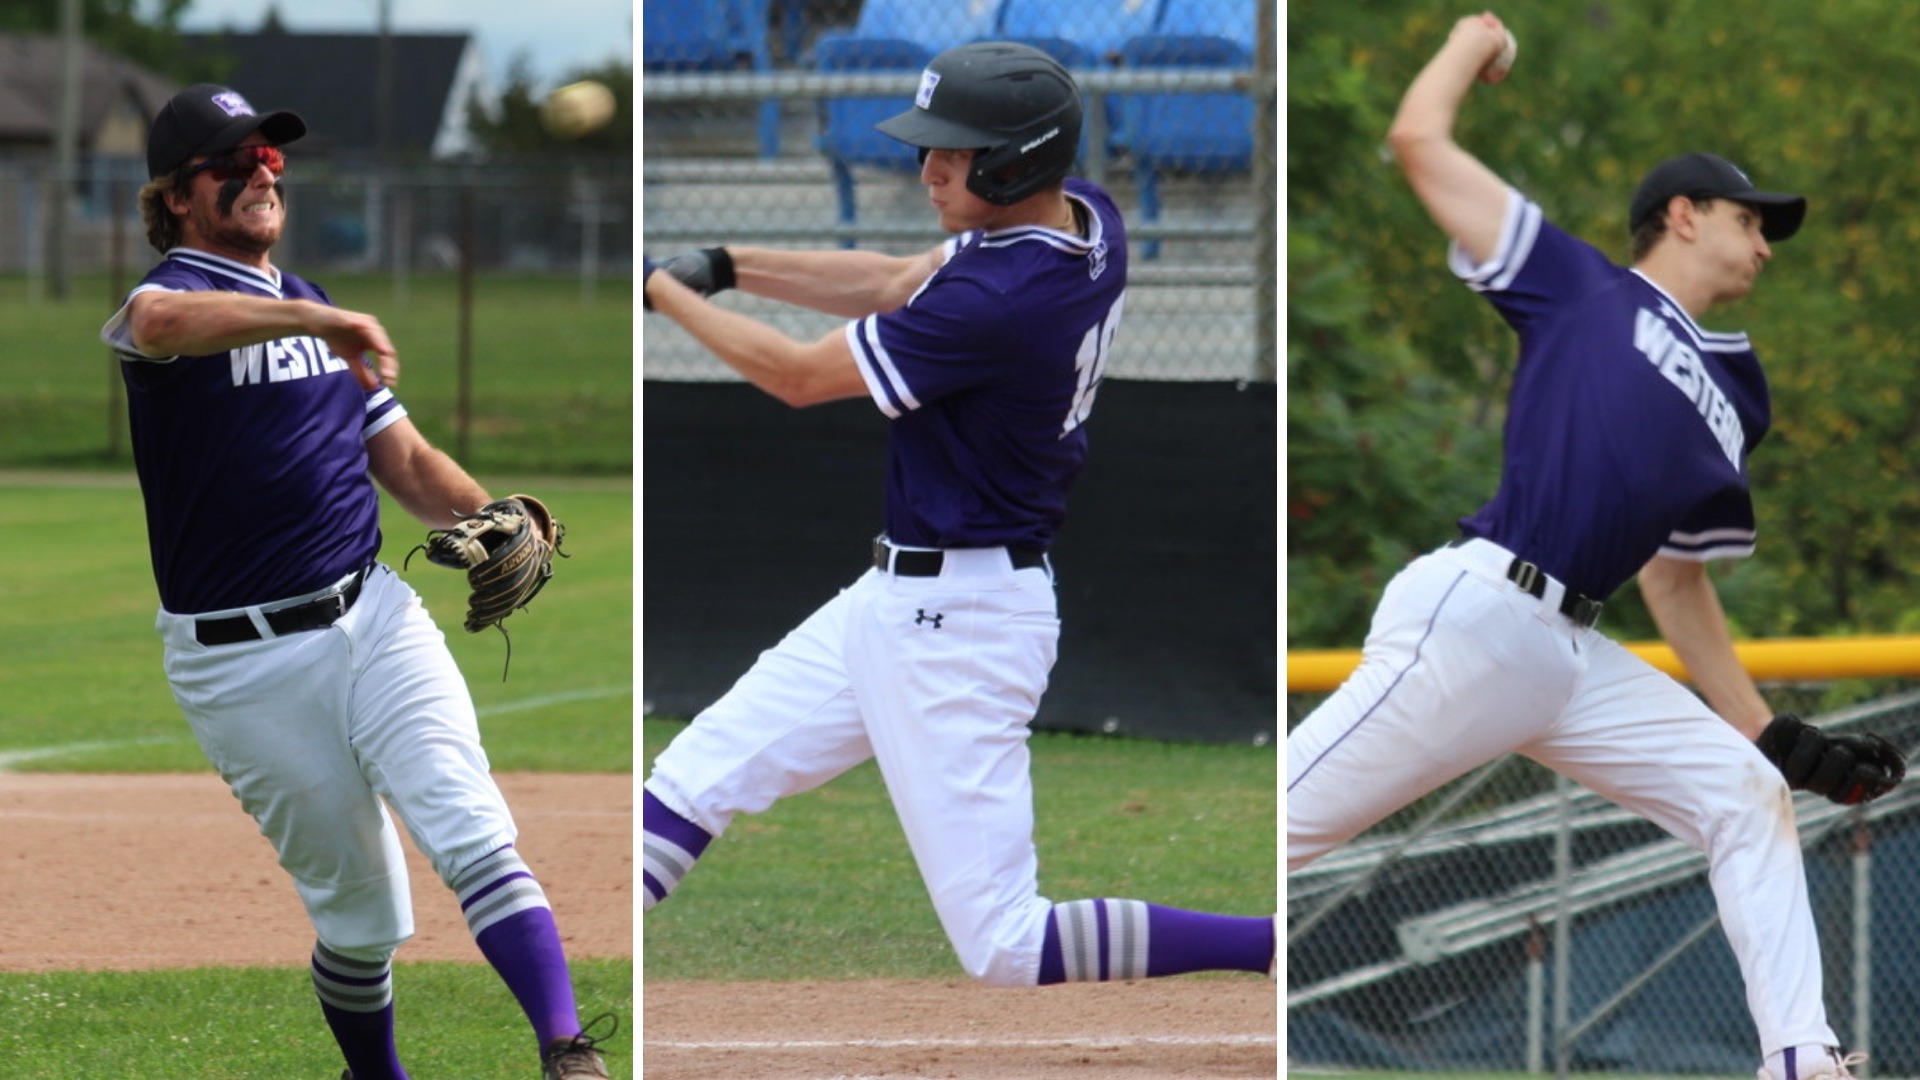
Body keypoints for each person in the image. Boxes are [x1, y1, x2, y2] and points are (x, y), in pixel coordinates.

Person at [1286, 13, 1899, 1080]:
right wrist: (1472, 42)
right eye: (1750, 219)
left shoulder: (1737, 391)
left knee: (1744, 801)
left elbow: (1674, 577)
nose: (1765, 243)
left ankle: (1802, 1061)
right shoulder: (1582, 287)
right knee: (1282, 829)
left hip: (1571, 660)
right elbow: (1420, 141)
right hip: (1478, 615)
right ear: (1681, 212)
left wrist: (1766, 735)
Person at [641, 42, 1275, 987]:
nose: (928, 166)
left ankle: (1271, 947)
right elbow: (898, 280)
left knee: (1009, 946)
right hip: (894, 600)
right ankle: (570, 987)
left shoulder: (1000, 301)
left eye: (955, 151)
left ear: (1019, 161)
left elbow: (797, 376)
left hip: (962, 626)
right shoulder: (1085, 216)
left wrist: (660, 294)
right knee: (689, 784)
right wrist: (727, 265)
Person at [99, 83, 613, 1080]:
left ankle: (569, 1052)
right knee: (363, 918)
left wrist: (489, 514)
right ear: (174, 197)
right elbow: (156, 324)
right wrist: (313, 323)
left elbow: (406, 460)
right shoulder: (168, 308)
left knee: (470, 830)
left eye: (271, 158)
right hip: (241, 668)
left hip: (373, 613)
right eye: (231, 162)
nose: (259, 172)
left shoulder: (321, 310)